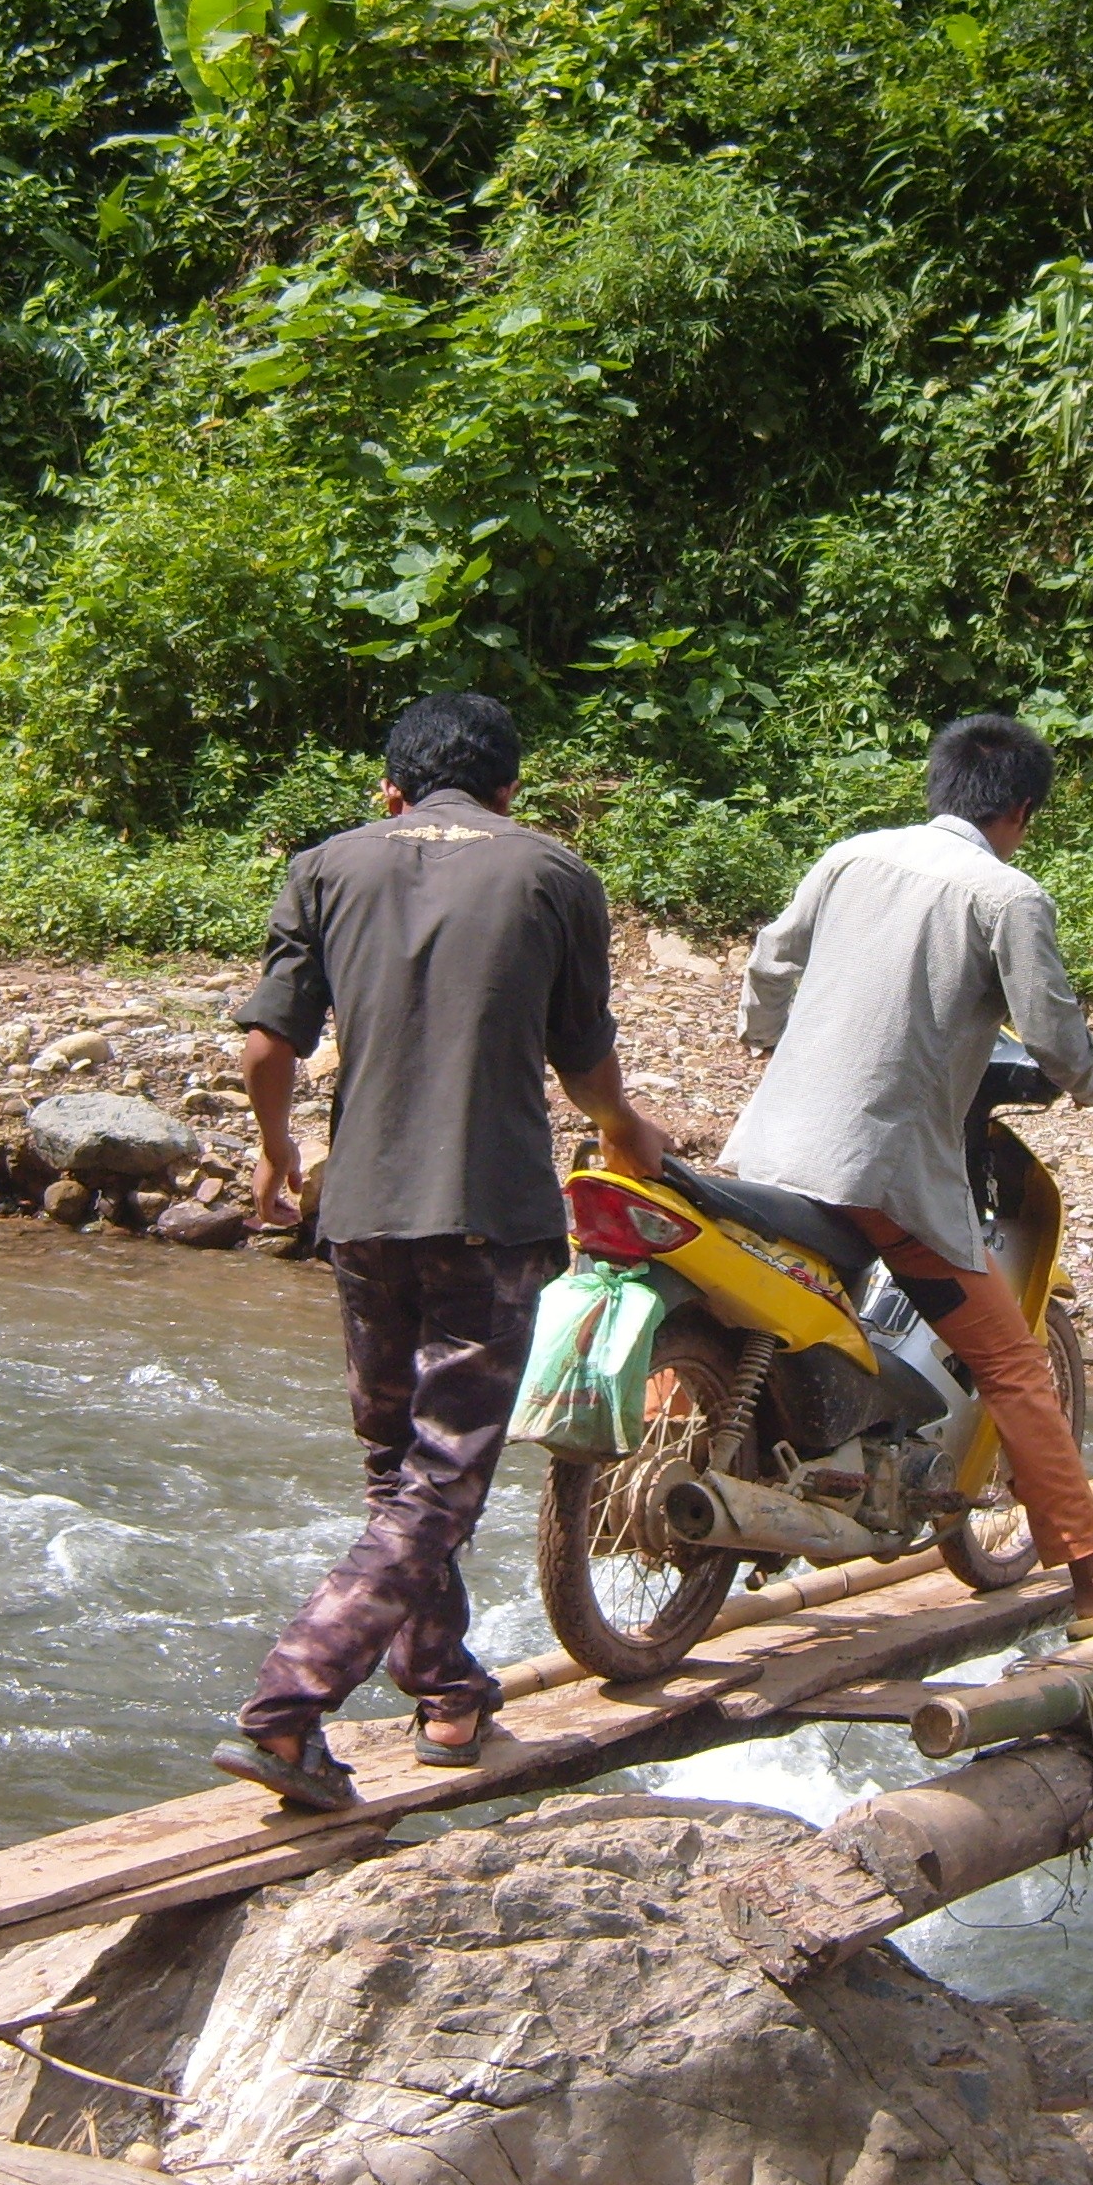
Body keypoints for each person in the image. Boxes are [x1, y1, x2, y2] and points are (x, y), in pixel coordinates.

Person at [212, 693, 669, 1811]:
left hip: (362, 1211)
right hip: (490, 1212)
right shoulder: (553, 874)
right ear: (511, 788)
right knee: (444, 1479)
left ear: (391, 789)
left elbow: (269, 1043)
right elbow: (584, 1056)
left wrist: (274, 1159)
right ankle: (287, 1707)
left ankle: (447, 1693)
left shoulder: (325, 867)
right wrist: (624, 1132)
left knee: (398, 1473)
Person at [722, 713, 1093, 1635]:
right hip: (882, 1173)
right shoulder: (1007, 896)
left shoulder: (851, 856)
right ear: (1020, 810)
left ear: (939, 785)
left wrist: (769, 1038)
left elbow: (771, 961)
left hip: (769, 1148)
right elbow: (1054, 1033)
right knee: (1015, 1366)